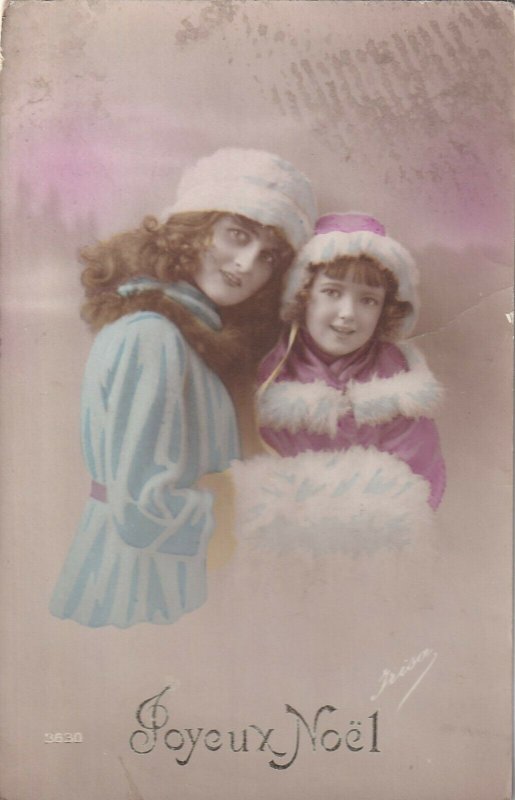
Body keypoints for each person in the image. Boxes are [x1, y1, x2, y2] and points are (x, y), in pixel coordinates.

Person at [49, 147, 316, 627]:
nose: (246, 264)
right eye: (237, 235)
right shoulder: (152, 335)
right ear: (193, 231)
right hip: (138, 577)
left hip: (164, 566)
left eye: (268, 256)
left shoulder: (189, 333)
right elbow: (141, 512)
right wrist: (256, 514)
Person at [232, 213, 446, 554]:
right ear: (303, 296)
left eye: (368, 300)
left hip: (375, 551)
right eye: (332, 292)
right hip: (279, 548)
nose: (347, 313)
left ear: (384, 310)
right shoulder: (271, 370)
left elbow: (421, 479)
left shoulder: (398, 378)